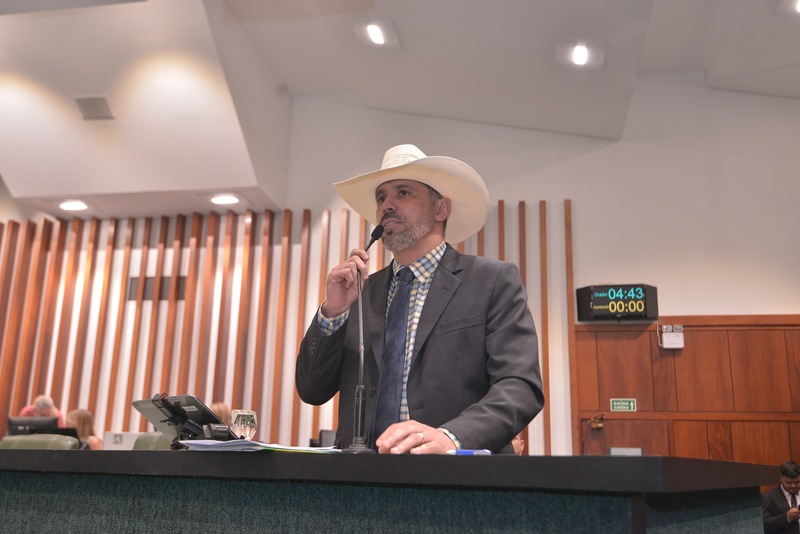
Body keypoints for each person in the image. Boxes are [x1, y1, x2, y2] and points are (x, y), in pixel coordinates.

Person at [296, 144, 544, 454]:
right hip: (360, 473)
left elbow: (520, 386)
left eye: (403, 193)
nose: (386, 205)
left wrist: (451, 437)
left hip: (455, 474)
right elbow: (312, 390)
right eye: (381, 197)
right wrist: (333, 312)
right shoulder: (357, 293)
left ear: (441, 210)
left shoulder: (492, 281)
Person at [762, 460, 800, 533]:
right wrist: (787, 517)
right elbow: (764, 525)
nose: (793, 486)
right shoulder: (768, 497)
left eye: (797, 482)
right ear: (781, 478)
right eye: (788, 483)